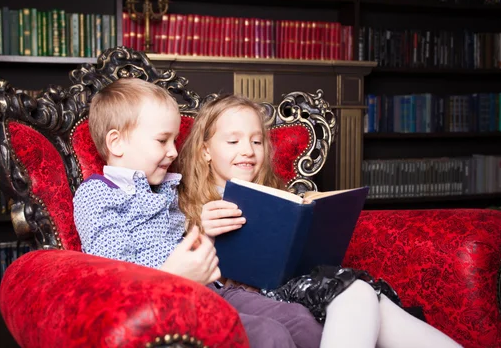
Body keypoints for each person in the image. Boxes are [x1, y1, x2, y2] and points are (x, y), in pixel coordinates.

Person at [176, 94, 463, 348]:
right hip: (259, 296)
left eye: (256, 141)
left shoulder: (275, 194)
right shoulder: (186, 204)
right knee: (361, 293)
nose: (248, 150)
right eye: (233, 141)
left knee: (368, 298)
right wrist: (203, 230)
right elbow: (196, 278)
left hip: (294, 283)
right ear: (204, 151)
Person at [72, 78, 320, 348]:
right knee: (268, 333)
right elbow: (114, 275)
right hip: (164, 301)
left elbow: (194, 244)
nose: (173, 151)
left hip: (213, 290)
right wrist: (175, 275)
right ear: (116, 143)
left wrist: (206, 235)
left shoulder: (167, 187)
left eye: (174, 140)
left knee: (300, 320)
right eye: (162, 140)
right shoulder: (97, 193)